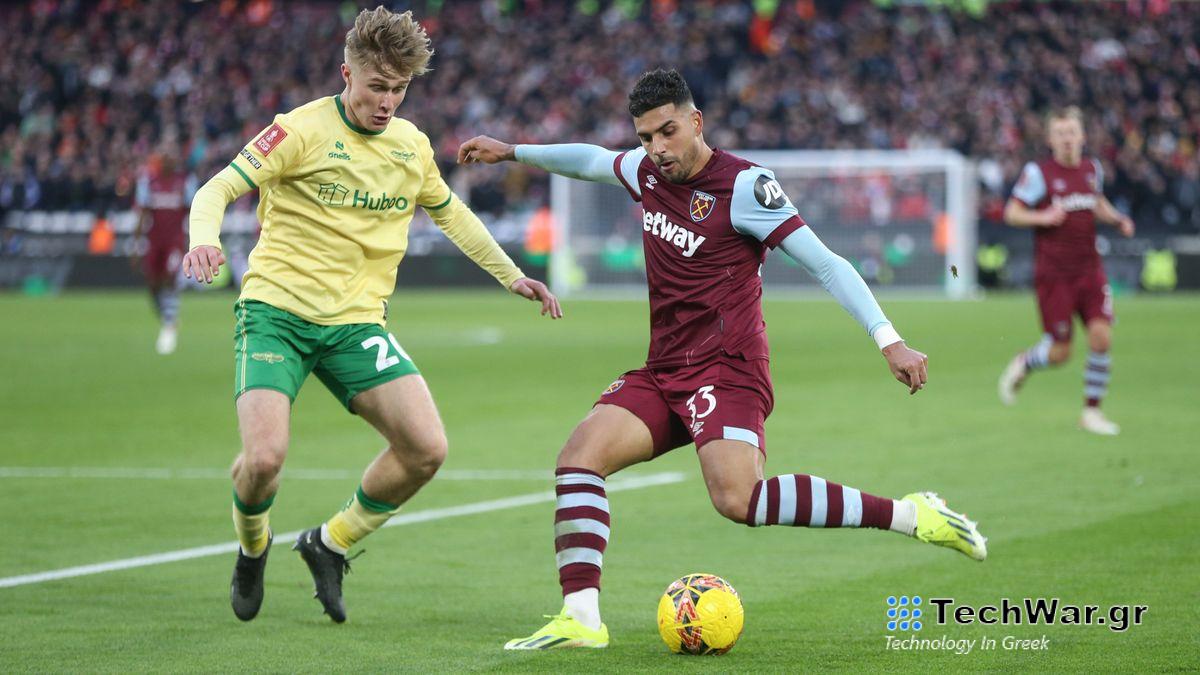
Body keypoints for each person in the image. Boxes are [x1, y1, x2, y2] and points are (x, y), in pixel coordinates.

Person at [458, 68, 985, 650]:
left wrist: (890, 340)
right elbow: (589, 159)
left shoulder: (746, 188)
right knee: (578, 460)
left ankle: (911, 514)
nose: (657, 148)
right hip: (664, 370)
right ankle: (581, 618)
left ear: (695, 121)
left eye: (667, 131)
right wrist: (513, 152)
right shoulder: (645, 172)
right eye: (645, 137)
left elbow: (828, 263)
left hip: (727, 370)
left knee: (738, 500)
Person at [183, 6, 561, 624]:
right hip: (276, 311)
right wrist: (205, 237)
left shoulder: (410, 147)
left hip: (356, 324)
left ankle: (329, 543)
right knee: (264, 461)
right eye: (376, 86)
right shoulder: (298, 130)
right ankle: (253, 546)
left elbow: (451, 214)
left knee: (426, 448)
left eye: (398, 89)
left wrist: (513, 275)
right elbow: (217, 189)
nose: (387, 102)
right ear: (346, 74)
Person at [998, 106, 1135, 435]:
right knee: (1060, 353)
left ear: (1082, 135)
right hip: (1054, 276)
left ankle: (1091, 411)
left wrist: (1117, 219)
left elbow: (1095, 202)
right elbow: (1012, 213)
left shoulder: (1092, 169)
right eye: (1060, 133)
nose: (1067, 139)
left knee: (1102, 337)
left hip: (1090, 270)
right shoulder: (1039, 174)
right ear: (1050, 139)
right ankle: (1026, 361)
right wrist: (1041, 218)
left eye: (1072, 132)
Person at [134, 152, 195, 354]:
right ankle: (167, 316)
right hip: (154, 240)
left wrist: (191, 241)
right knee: (153, 284)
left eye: (172, 158)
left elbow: (192, 212)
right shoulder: (149, 182)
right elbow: (142, 213)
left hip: (174, 241)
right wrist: (136, 243)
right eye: (165, 158)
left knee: (170, 278)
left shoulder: (184, 182)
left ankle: (169, 326)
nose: (169, 161)